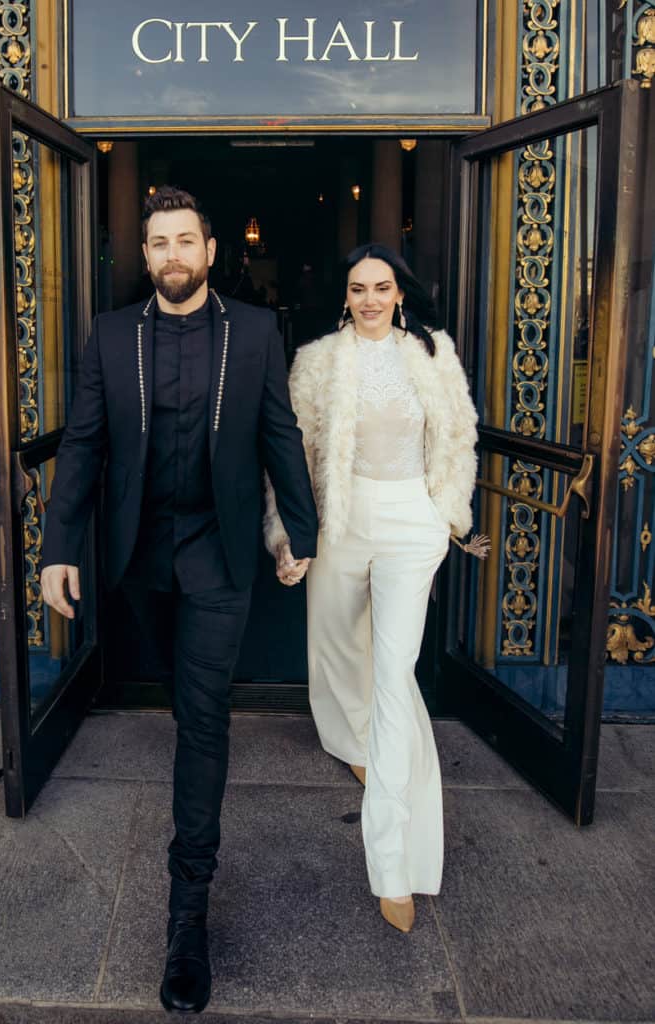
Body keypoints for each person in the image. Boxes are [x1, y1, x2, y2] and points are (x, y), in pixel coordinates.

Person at [40, 187, 318, 1012]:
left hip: (218, 553)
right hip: (137, 558)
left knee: (203, 718)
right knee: (173, 694)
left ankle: (186, 918)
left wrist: (299, 528)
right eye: (157, 242)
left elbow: (279, 434)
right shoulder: (111, 333)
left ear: (209, 248)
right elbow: (85, 442)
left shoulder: (255, 331)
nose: (170, 255)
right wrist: (57, 548)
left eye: (183, 241)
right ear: (148, 254)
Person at [264, 243, 487, 934]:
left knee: (393, 674)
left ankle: (394, 861)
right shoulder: (317, 361)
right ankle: (349, 741)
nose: (369, 298)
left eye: (381, 287)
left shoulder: (432, 353)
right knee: (333, 647)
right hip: (340, 520)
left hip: (410, 524)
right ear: (345, 296)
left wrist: (448, 513)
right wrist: (286, 536)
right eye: (358, 287)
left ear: (399, 293)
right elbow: (289, 458)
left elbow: (457, 436)